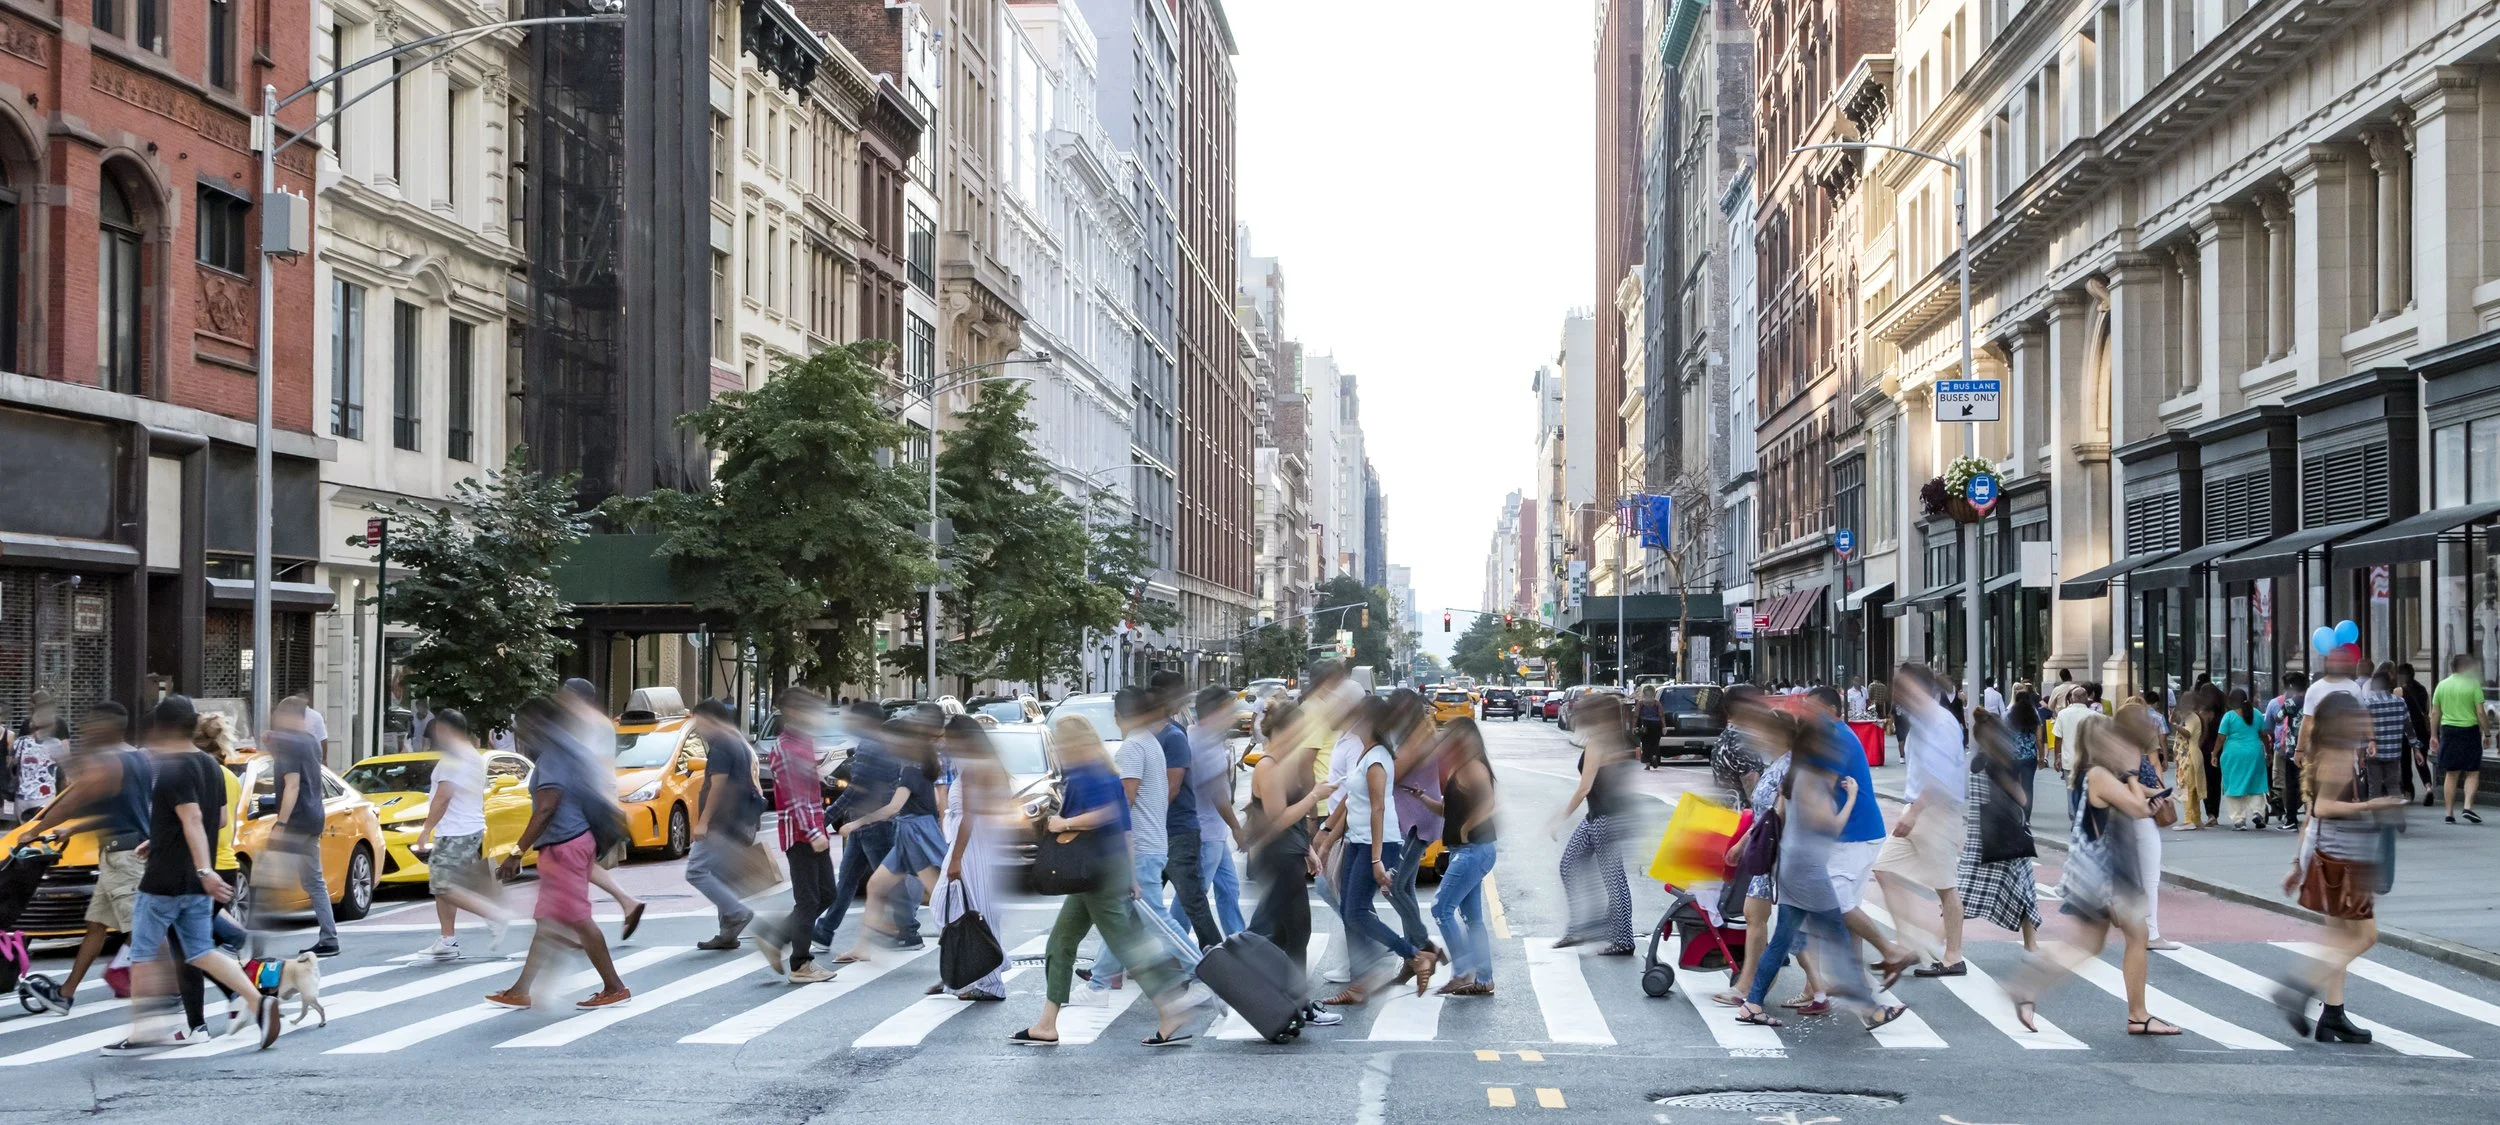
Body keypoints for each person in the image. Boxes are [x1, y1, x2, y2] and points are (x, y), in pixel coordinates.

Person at [1011, 714, 1208, 1046]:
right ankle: (1047, 1023)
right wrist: (1130, 876)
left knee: (1126, 945)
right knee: (1061, 941)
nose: (1057, 747)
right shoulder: (1106, 773)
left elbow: (1108, 817)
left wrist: (1063, 824)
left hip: (1095, 872)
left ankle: (1169, 1008)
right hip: (1102, 870)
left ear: (1073, 743)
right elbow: (1126, 829)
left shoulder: (1088, 775)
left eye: (1060, 740)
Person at [106, 696, 281, 1054]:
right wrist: (162, 842)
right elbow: (214, 819)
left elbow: (193, 819)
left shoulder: (173, 769)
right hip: (195, 879)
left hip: (165, 879)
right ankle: (257, 1001)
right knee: (200, 950)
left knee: (141, 952)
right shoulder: (210, 765)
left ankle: (143, 1032)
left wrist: (199, 867)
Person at [1731, 710, 1904, 1032]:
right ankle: (1870, 1010)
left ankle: (1752, 1004)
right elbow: (1832, 827)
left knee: (1782, 939)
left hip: (1789, 867)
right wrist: (1851, 798)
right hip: (1809, 872)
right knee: (1838, 938)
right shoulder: (1812, 779)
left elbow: (1778, 816)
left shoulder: (1794, 775)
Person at [2009, 711, 2176, 1037]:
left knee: (2088, 943)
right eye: (2114, 740)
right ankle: (2138, 1015)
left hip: (2100, 874)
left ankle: (2027, 989)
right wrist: (2131, 775)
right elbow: (2138, 808)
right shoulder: (2099, 775)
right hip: (2104, 877)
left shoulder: (2098, 774)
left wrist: (2141, 785)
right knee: (2136, 935)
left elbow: (2139, 800)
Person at [2279, 691, 2405, 1043]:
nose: (2365, 720)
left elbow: (2310, 816)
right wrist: (2372, 805)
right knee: (2365, 936)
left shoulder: (2328, 753)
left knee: (2338, 938)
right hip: (2343, 858)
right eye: (2359, 715)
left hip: (2329, 855)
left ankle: (2332, 1014)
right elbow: (2323, 808)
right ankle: (2300, 989)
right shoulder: (2337, 755)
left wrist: (2298, 863)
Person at [488, 699, 630, 1009]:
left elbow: (547, 808)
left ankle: (614, 986)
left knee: (578, 919)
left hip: (565, 845)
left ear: (536, 724)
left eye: (521, 726)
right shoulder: (569, 749)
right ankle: (521, 989)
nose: (519, 733)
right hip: (569, 844)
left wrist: (516, 852)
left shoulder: (553, 757)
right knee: (547, 920)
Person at [21, 702, 150, 1016]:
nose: (86, 730)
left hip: (125, 857)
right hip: (119, 854)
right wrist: (73, 831)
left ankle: (164, 999)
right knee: (96, 926)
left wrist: (35, 829)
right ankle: (65, 993)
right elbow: (116, 810)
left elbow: (74, 801)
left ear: (109, 727)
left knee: (145, 931)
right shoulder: (137, 756)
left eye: (92, 724)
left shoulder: (111, 761)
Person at [1311, 696, 1434, 1004]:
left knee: (1355, 912)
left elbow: (1378, 808)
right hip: (1357, 841)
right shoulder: (1365, 753)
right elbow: (1354, 803)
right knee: (1351, 912)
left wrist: (1378, 859)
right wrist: (1326, 841)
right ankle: (1362, 981)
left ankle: (1415, 956)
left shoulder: (1377, 756)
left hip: (1376, 844)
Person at [1711, 691, 1825, 1009]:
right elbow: (1765, 814)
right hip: (1769, 852)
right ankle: (1762, 986)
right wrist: (1742, 845)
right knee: (1758, 917)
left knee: (1787, 928)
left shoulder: (1791, 767)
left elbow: (1777, 814)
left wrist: (1745, 843)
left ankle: (1759, 989)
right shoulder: (1776, 763)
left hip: (1782, 855)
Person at [1241, 696, 1343, 1028]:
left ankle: (1275, 997)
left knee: (1282, 935)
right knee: (1296, 934)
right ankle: (1296, 1004)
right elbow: (1277, 819)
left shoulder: (1282, 764)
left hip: (1289, 855)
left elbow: (1294, 821)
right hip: (1278, 859)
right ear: (1283, 731)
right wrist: (1315, 797)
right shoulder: (1268, 767)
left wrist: (1309, 851)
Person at [1874, 664, 1970, 977]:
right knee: (1884, 868)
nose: (1897, 693)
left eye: (1902, 687)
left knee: (1945, 886)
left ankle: (1953, 956)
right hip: (1918, 809)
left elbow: (1940, 776)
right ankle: (1907, 945)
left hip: (1936, 812)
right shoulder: (1923, 721)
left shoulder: (1941, 722)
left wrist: (1914, 812)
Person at [1082, 687, 1177, 996]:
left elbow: (1127, 799)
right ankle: (1101, 979)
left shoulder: (1132, 747)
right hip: (1150, 842)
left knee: (1156, 919)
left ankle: (1200, 969)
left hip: (1141, 846)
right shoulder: (1148, 742)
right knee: (1123, 916)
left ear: (1118, 716)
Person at [836, 709, 948, 963]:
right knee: (876, 886)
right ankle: (862, 947)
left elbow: (893, 808)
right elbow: (935, 801)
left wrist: (856, 824)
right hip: (910, 834)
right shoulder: (920, 767)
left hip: (916, 836)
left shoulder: (911, 770)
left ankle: (960, 949)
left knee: (939, 898)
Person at [170, 711, 250, 1040]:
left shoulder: (194, 772)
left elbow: (203, 822)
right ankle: (235, 994)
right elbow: (223, 821)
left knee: (187, 948)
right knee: (196, 944)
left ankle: (199, 1023)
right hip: (226, 865)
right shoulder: (227, 775)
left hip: (201, 868)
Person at [814, 701, 918, 949]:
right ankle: (825, 931)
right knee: (848, 880)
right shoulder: (882, 745)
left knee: (885, 880)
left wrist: (825, 818)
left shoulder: (871, 747)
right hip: (867, 823)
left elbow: (854, 792)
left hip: (873, 824)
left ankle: (909, 931)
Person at [752, 690, 838, 984]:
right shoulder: (785, 747)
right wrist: (814, 832)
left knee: (827, 894)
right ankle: (801, 964)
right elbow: (793, 796)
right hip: (800, 834)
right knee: (808, 900)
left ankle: (775, 939)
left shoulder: (804, 742)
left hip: (814, 829)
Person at [412, 711, 511, 960]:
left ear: (446, 729)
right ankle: (448, 940)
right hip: (464, 828)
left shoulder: (455, 757)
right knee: (444, 885)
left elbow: (444, 796)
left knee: (442, 885)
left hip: (457, 831)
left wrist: (426, 829)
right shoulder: (470, 754)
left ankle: (493, 915)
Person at [557, 679, 648, 940]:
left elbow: (586, 764)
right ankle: (622, 904)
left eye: (565, 696)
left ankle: (578, 925)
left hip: (589, 801)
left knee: (573, 860)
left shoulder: (587, 724)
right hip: (595, 799)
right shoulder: (596, 723)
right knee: (579, 863)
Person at [1551, 692, 1636, 955]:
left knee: (1614, 879)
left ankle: (1623, 940)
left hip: (1605, 818)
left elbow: (1585, 787)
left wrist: (1559, 818)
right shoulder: (1619, 739)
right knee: (1569, 864)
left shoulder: (1599, 743)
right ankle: (1581, 928)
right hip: (1600, 816)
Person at [933, 714, 1010, 1000]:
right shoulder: (974, 764)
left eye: (948, 738)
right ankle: (965, 973)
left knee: (971, 911)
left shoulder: (976, 767)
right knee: (955, 908)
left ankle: (989, 980)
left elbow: (970, 817)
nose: (945, 743)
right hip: (972, 844)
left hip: (972, 847)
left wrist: (956, 857)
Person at [1146, 672, 1219, 950]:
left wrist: (1145, 822)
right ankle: (1112, 966)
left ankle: (1217, 955)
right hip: (1160, 832)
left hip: (1176, 832)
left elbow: (1172, 787)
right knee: (1137, 901)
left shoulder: (1173, 737)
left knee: (1193, 902)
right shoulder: (1149, 735)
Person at [1956, 711, 2040, 950]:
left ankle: (1945, 943)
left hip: (1981, 838)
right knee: (2023, 890)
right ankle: (2031, 944)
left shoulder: (1977, 762)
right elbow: (2021, 798)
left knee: (1962, 893)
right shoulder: (1999, 764)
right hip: (2006, 838)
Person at [263, 697, 339, 957]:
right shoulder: (309, 742)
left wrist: (281, 823)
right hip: (314, 817)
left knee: (271, 880)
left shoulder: (288, 744)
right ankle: (329, 938)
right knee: (313, 881)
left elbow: (292, 784)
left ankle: (259, 945)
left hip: (295, 821)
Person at [685, 700, 764, 952]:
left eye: (699, 721)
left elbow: (717, 786)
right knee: (719, 875)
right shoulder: (739, 742)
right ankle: (727, 932)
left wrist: (703, 822)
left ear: (711, 719)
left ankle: (737, 912)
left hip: (720, 823)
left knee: (695, 871)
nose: (697, 728)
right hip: (739, 821)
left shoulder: (721, 746)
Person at [1429, 718, 1497, 996]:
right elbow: (1449, 810)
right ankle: (1484, 979)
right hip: (1468, 850)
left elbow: (1490, 802)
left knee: (1441, 908)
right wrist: (1422, 799)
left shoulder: (1474, 766)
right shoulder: (1461, 767)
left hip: (1474, 849)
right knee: (1472, 919)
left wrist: (1468, 827)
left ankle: (1463, 971)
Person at [1381, 690, 1443, 975]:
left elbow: (1392, 771)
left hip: (1414, 819)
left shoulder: (1416, 736)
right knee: (1404, 886)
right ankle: (1412, 959)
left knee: (1393, 886)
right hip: (1414, 817)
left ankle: (1423, 947)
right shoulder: (1419, 731)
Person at [2113, 701, 2178, 951]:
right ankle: (2151, 933)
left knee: (2136, 877)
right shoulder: (2129, 750)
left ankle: (2139, 926)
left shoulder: (2117, 747)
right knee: (2150, 877)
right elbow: (2131, 784)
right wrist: (2158, 792)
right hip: (2139, 815)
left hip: (2126, 815)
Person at [1185, 686, 1249, 938]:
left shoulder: (1198, 735)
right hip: (1206, 833)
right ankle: (1171, 947)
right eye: (1227, 710)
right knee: (1193, 897)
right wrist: (1237, 827)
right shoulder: (1203, 743)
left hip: (1212, 830)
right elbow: (1218, 794)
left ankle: (1239, 940)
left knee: (1229, 888)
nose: (1231, 715)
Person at [2432, 654, 2487, 824]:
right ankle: (2467, 806)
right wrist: (2488, 732)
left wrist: (2434, 735)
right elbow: (2480, 712)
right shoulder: (2473, 685)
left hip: (2448, 731)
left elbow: (2435, 713)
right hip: (2469, 731)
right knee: (2472, 771)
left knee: (2451, 772)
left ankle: (2449, 813)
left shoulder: (2442, 685)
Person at [10, 691, 68, 829]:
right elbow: (66, 761)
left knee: (22, 833)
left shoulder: (20, 742)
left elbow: (12, 764)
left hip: (22, 797)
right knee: (42, 833)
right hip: (45, 797)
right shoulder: (55, 744)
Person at [2359, 666, 2415, 804]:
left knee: (2375, 787)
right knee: (2394, 785)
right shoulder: (2400, 702)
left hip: (2374, 753)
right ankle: (2397, 816)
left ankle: (2377, 820)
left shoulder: (2368, 704)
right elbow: (2408, 726)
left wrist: (2361, 754)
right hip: (2394, 751)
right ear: (2389, 684)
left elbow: (2363, 731)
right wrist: (2415, 745)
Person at [2216, 689, 2271, 830]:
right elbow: (2264, 735)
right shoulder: (2257, 714)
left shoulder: (2229, 716)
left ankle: (2239, 819)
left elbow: (2221, 738)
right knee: (2256, 783)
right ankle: (2258, 811)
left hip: (2233, 754)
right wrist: (2268, 752)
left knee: (2234, 783)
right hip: (2254, 752)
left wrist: (2214, 753)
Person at [2265, 672, 2312, 829]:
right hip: (2311, 747)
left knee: (2291, 784)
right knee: (2309, 782)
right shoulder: (2312, 701)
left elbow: (2278, 717)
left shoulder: (2291, 702)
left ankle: (2291, 819)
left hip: (2293, 748)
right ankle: (2311, 816)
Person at [2170, 703, 2211, 830]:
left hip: (2189, 758)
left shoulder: (2192, 718)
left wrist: (2175, 725)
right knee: (2191, 789)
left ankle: (2189, 820)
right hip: (2186, 757)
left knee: (2187, 788)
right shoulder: (2189, 718)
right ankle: (2196, 819)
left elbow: (2188, 733)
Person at [1634, 684, 1664, 769]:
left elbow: (1636, 715)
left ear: (1644, 693)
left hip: (1645, 725)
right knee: (1655, 743)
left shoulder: (1641, 703)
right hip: (1656, 725)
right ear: (1653, 693)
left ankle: (1647, 762)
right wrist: (1664, 726)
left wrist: (1634, 726)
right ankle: (1654, 755)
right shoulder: (1656, 703)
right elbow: (1661, 715)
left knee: (1645, 744)